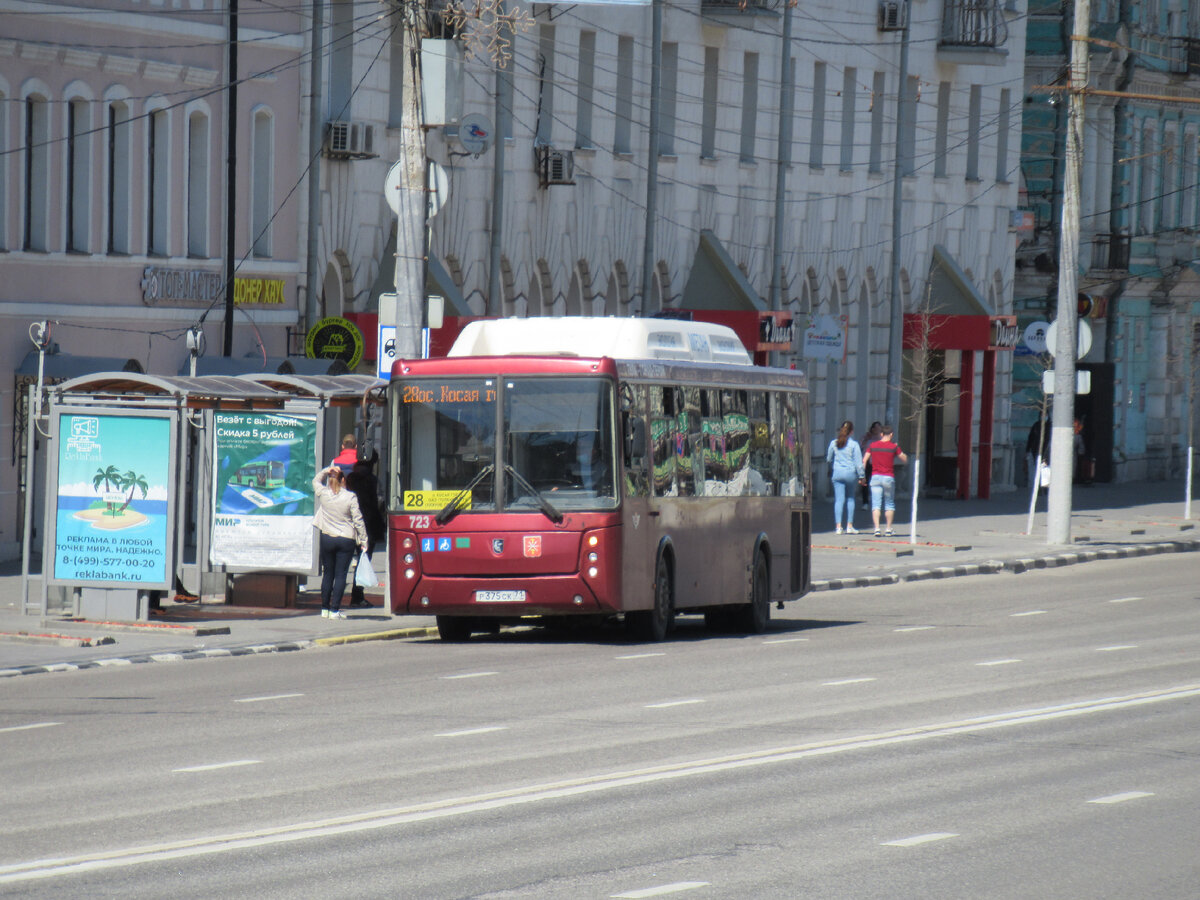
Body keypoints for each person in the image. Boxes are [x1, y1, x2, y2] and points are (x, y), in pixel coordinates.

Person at [312, 465, 368, 619]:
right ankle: (335, 609)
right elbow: (358, 520)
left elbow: (315, 480)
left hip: (327, 536)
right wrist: (364, 539)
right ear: (343, 480)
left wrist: (327, 470)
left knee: (328, 573)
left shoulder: (323, 493)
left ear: (330, 480)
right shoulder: (350, 497)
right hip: (346, 538)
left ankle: (324, 608)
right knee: (341, 574)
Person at [345, 456, 385, 608]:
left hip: (349, 524)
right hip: (368, 525)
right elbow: (380, 500)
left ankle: (333, 597)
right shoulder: (373, 480)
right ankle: (357, 595)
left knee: (343, 562)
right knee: (363, 560)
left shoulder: (350, 479)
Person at [862, 424, 907, 537]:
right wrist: (897, 448)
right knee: (889, 503)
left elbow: (864, 460)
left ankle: (877, 529)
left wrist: (862, 476)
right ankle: (888, 528)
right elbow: (904, 459)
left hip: (875, 477)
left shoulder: (872, 445)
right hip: (888, 477)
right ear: (891, 435)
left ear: (881, 434)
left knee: (876, 504)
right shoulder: (893, 447)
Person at [825, 420, 864, 535]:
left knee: (839, 500)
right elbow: (858, 463)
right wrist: (861, 476)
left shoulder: (834, 443)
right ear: (851, 432)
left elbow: (828, 458)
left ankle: (838, 527)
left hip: (837, 473)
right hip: (850, 474)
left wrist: (833, 465)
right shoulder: (854, 445)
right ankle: (849, 526)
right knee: (851, 498)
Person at [859, 421, 882, 510]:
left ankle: (875, 501)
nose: (878, 429)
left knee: (876, 483)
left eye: (879, 428)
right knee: (865, 482)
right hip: (867, 462)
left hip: (877, 463)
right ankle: (865, 502)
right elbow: (860, 446)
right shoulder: (867, 437)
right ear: (872, 429)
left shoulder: (881, 438)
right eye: (876, 428)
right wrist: (865, 439)